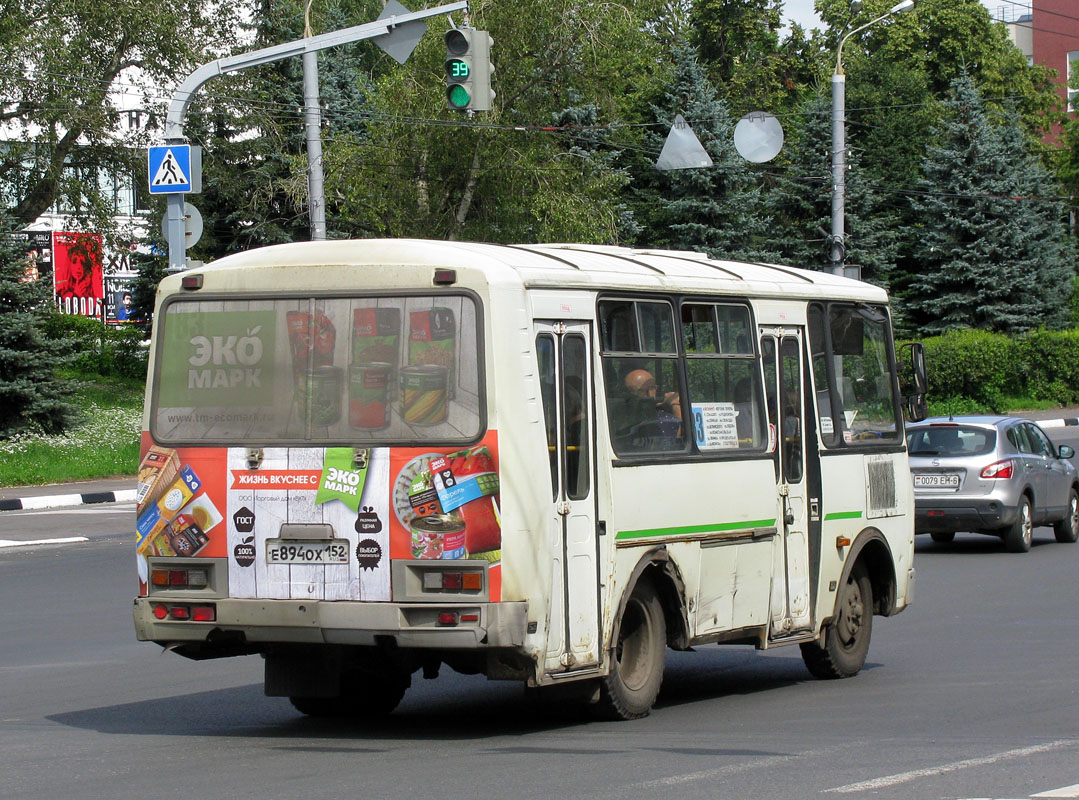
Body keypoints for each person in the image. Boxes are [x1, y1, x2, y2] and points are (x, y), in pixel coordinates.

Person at [618, 368, 682, 449]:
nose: (649, 394)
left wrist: (674, 404)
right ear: (630, 394)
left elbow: (683, 441)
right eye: (641, 390)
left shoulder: (666, 419)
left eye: (652, 388)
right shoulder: (621, 421)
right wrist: (675, 405)